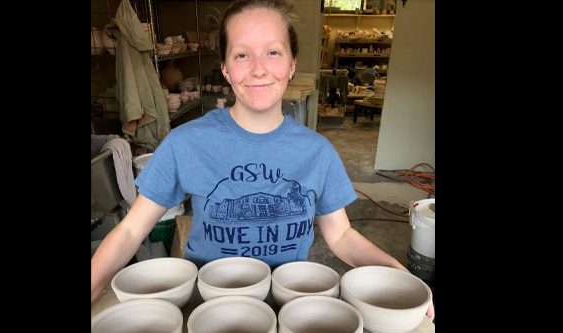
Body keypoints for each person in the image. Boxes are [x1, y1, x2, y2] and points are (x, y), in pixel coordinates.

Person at [91, 0, 434, 321]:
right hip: (207, 310)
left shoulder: (318, 152)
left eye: (273, 52)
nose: (258, 69)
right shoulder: (186, 142)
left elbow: (342, 235)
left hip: (289, 307)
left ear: (291, 63)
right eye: (242, 55)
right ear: (224, 67)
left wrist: (395, 271)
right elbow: (132, 229)